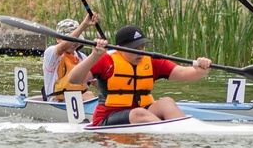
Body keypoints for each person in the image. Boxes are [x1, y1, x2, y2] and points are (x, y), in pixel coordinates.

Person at [66, 24, 212, 126]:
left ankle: (186, 133)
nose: (140, 52)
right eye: (134, 49)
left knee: (166, 102)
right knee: (138, 113)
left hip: (143, 113)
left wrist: (201, 70)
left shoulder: (151, 61)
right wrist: (94, 56)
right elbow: (74, 79)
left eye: (142, 47)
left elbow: (184, 73)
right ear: (119, 49)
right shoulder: (106, 61)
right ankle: (168, 133)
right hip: (108, 118)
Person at [42, 13, 100, 102]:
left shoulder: (82, 57)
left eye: (77, 40)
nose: (74, 43)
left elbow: (96, 82)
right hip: (58, 102)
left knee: (90, 95)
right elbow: (64, 46)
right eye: (72, 39)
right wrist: (84, 24)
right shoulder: (51, 53)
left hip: (81, 101)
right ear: (58, 39)